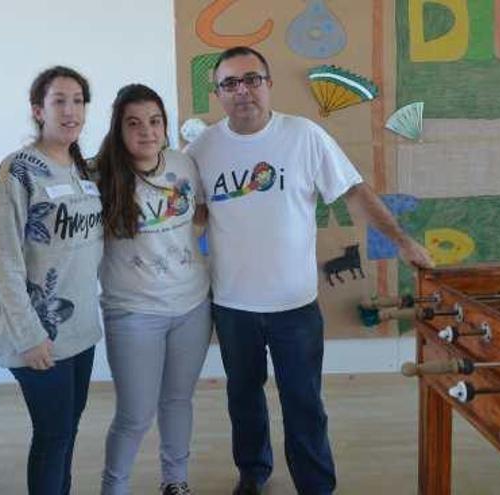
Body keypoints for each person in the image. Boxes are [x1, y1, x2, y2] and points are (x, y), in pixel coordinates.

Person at [184, 46, 435, 495]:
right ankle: (253, 473)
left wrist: (401, 241)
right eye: (230, 83)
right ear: (217, 93)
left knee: (304, 404)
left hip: (294, 307)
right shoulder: (202, 148)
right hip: (232, 304)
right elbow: (195, 214)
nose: (242, 91)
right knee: (243, 400)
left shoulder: (304, 136)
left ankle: (316, 485)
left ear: (269, 83)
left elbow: (354, 193)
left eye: (252, 79)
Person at [0, 66, 103, 495]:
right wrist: (30, 334)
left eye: (78, 100)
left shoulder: (84, 171)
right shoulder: (19, 170)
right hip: (38, 337)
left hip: (80, 332)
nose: (70, 110)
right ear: (39, 110)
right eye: (59, 100)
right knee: (53, 437)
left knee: (66, 434)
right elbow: (5, 258)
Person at [96, 84, 212, 495]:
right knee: (135, 414)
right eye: (134, 123)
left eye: (155, 121)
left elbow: (199, 213)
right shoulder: (100, 176)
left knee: (178, 400)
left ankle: (175, 481)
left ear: (165, 126)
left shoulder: (184, 164)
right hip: (132, 313)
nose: (146, 131)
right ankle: (115, 487)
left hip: (193, 306)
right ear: (119, 129)